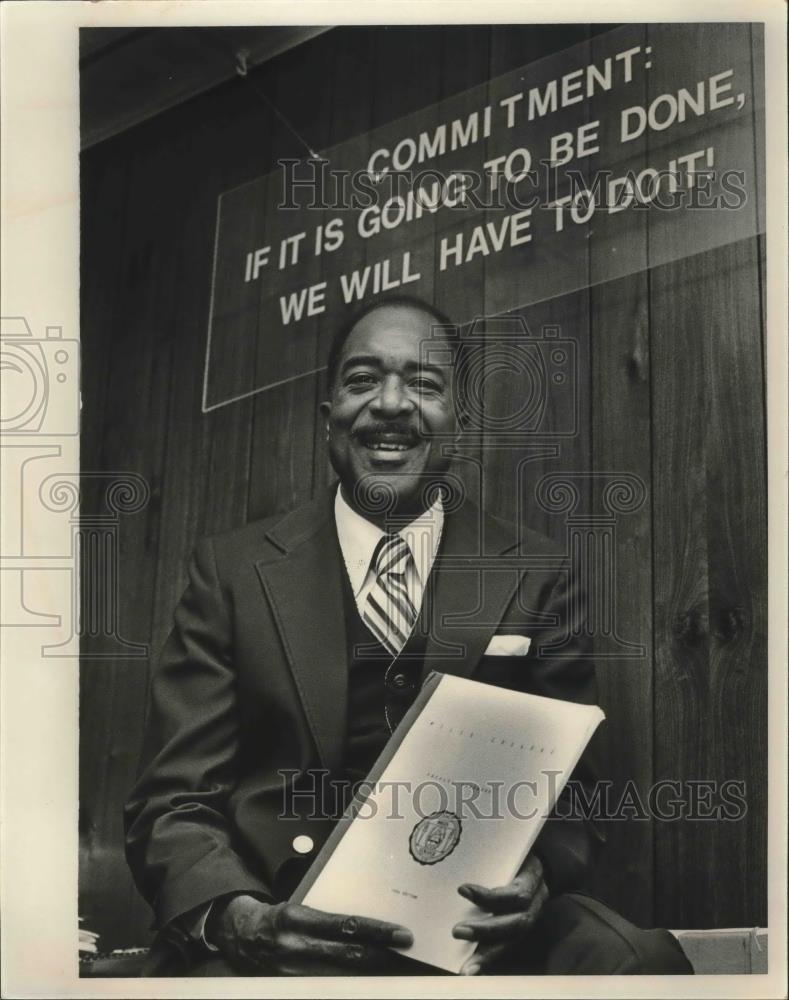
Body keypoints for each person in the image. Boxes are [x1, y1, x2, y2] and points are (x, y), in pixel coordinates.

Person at [124, 296, 692, 977]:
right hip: (281, 925)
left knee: (634, 963)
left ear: (459, 422)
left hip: (471, 923)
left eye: (423, 384)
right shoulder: (232, 573)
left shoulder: (537, 572)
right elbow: (175, 801)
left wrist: (536, 873)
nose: (390, 403)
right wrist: (240, 916)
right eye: (362, 380)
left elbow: (573, 791)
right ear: (327, 415)